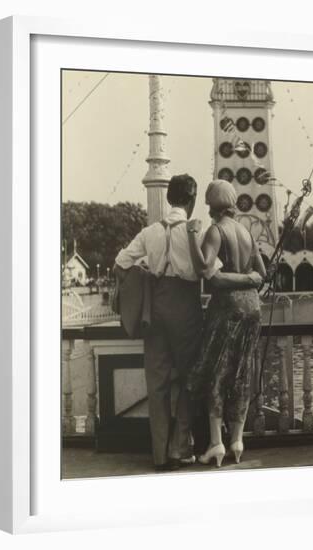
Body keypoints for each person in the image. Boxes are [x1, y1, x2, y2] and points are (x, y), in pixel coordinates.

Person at [114, 174, 262, 472]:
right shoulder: (195, 230)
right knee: (188, 379)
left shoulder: (149, 232)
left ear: (168, 198)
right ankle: (180, 448)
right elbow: (211, 272)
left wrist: (145, 278)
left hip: (154, 309)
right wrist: (251, 280)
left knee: (157, 383)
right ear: (193, 201)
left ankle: (159, 455)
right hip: (186, 308)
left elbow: (120, 263)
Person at [186, 179, 267, 468]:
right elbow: (261, 274)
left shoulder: (216, 231)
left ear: (211, 205)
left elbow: (210, 274)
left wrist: (194, 239)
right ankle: (237, 440)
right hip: (252, 309)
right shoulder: (246, 232)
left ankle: (216, 443)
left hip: (226, 309)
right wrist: (249, 280)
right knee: (242, 372)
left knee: (217, 373)